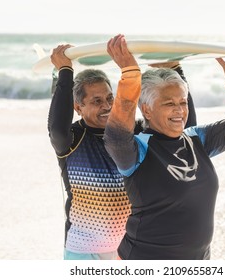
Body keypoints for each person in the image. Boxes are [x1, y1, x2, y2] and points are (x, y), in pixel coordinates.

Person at [104, 34, 225, 260]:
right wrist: (130, 76)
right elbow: (115, 136)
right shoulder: (138, 151)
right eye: (169, 104)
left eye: (183, 102)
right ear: (147, 110)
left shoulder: (197, 139)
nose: (180, 111)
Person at [47, 44, 197, 260]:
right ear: (78, 107)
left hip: (131, 248)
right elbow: (56, 127)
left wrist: (175, 70)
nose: (107, 106)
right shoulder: (73, 139)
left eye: (110, 98)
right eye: (96, 101)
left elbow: (182, 127)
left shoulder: (133, 132)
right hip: (84, 250)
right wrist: (65, 71)